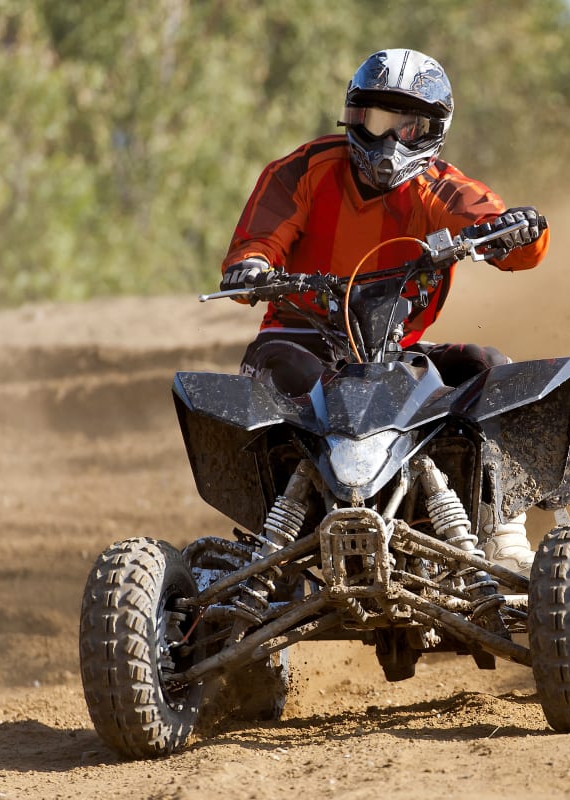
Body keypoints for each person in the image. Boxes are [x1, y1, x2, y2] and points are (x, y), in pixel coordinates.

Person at [218, 48, 549, 573]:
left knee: (487, 365)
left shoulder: (441, 186)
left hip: (392, 353)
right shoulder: (303, 169)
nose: (387, 139)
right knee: (278, 368)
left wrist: (518, 229)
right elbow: (255, 244)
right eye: (374, 119)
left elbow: (514, 241)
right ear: (352, 116)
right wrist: (253, 267)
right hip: (299, 335)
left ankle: (504, 532)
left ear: (433, 130)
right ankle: (275, 544)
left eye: (407, 125)